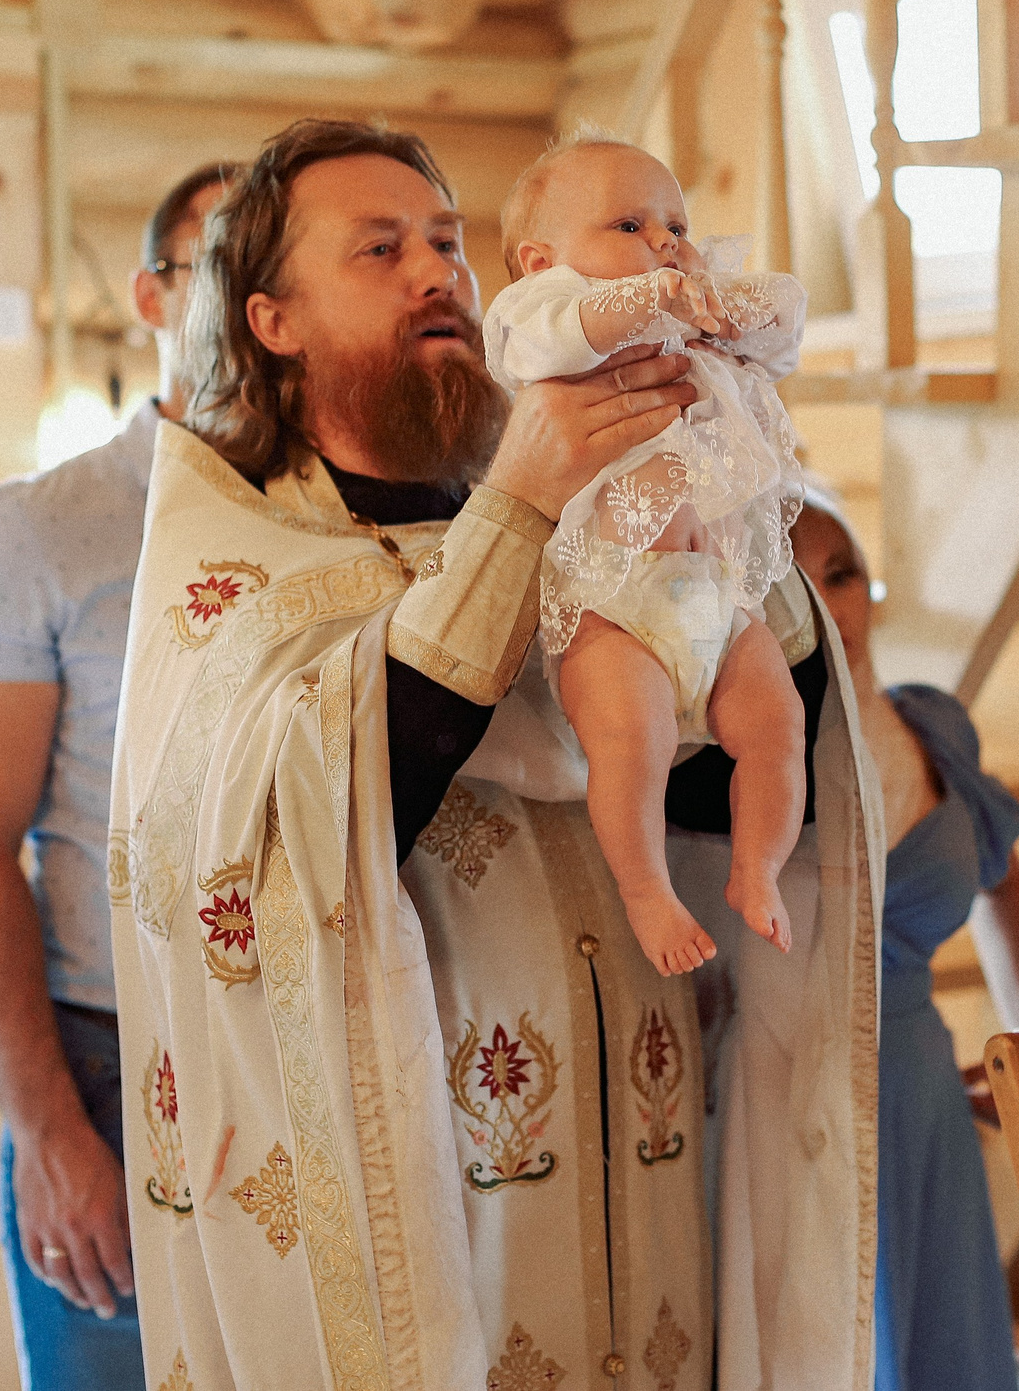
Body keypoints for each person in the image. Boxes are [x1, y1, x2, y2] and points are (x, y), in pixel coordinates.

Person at [109, 118, 883, 1387]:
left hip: (640, 1149)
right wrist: (517, 507)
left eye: (446, 242)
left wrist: (719, 512)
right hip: (433, 1190)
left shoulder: (573, 509)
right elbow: (309, 831)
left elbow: (700, 780)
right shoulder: (233, 567)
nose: (436, 273)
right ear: (272, 320)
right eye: (379, 249)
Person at [0, 161, 241, 1386]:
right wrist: (50, 1132)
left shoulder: (365, 519)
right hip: (109, 1062)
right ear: (150, 298)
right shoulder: (36, 531)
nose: (240, 305)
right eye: (209, 269)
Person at [487, 136, 811, 973]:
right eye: (630, 224)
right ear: (541, 259)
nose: (666, 243)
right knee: (635, 743)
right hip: (613, 609)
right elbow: (554, 335)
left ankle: (758, 867)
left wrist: (724, 308)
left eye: (676, 223)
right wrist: (643, 302)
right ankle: (646, 890)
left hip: (718, 603)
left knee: (778, 728)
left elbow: (784, 326)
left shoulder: (695, 316)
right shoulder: (543, 314)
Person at [788, 493, 1019, 1391]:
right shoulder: (724, 755)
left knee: (948, 1344)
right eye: (796, 579)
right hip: (793, 1094)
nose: (833, 604)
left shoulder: (929, 726)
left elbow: (1003, 877)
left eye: (845, 573)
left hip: (922, 1085)